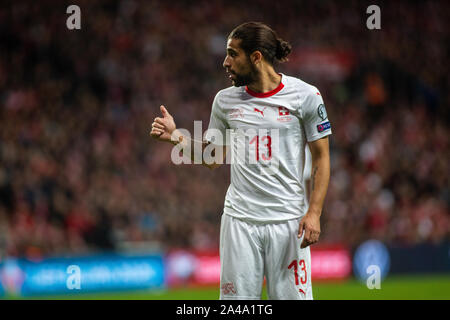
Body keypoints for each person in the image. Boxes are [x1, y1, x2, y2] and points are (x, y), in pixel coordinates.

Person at [150, 22, 331, 300]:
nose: (225, 62)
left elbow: (321, 157)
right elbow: (213, 158)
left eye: (233, 54)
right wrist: (176, 136)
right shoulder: (224, 101)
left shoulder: (305, 96)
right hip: (240, 223)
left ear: (256, 57)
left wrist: (315, 212)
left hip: (288, 223)